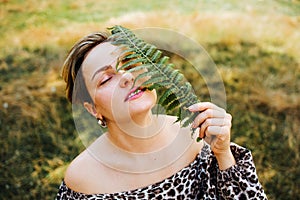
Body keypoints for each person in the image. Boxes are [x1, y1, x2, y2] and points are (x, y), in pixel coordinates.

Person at [56, 30, 267, 199]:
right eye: (105, 79)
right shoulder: (83, 180)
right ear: (93, 109)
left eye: (130, 63)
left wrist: (223, 154)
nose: (128, 76)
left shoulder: (195, 136)